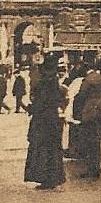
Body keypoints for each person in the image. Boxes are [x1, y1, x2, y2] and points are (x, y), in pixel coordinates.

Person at [24, 56, 67, 189]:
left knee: (42, 148)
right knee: (53, 149)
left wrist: (31, 108)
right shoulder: (54, 81)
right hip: (52, 119)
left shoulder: (44, 82)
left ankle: (45, 178)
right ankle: (53, 177)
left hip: (42, 120)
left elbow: (40, 102)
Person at [74, 59, 101, 178]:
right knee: (96, 139)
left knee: (89, 140)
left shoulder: (88, 80)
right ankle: (96, 165)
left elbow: (81, 95)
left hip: (90, 111)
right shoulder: (100, 77)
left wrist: (77, 112)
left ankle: (91, 168)